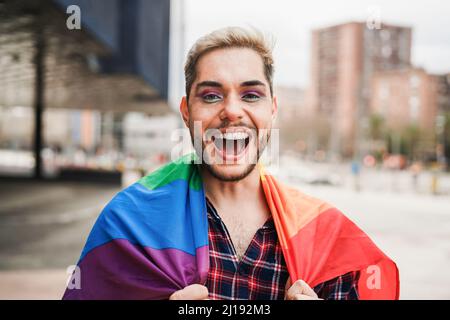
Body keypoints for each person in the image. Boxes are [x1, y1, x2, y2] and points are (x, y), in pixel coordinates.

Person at [63, 27, 399, 300]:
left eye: (251, 95)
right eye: (211, 96)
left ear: (273, 110)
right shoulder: (128, 221)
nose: (232, 111)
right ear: (186, 112)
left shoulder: (323, 238)